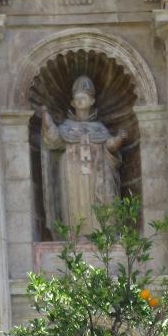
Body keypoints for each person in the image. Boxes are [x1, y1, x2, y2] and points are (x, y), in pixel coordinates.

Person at [39, 76, 128, 239]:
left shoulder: (99, 128)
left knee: (101, 200)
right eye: (77, 98)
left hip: (98, 172)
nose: (80, 101)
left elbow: (109, 146)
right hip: (71, 173)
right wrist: (47, 121)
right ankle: (75, 235)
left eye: (84, 98)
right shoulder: (66, 127)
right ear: (72, 103)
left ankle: (103, 234)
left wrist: (119, 139)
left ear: (92, 101)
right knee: (74, 201)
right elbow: (54, 140)